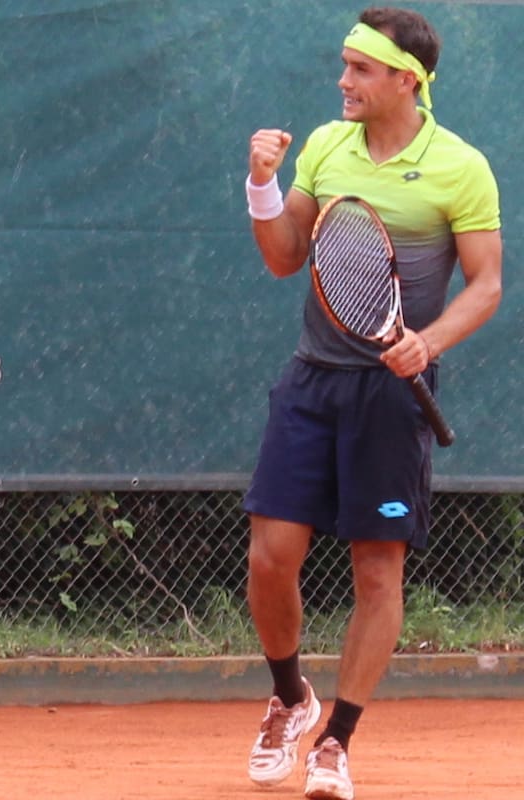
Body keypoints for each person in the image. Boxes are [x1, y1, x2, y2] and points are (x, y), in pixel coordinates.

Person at [241, 7, 502, 800]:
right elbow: (286, 259)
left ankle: (336, 742)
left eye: (359, 69)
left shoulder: (460, 167)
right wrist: (261, 185)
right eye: (344, 66)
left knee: (376, 573)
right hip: (312, 379)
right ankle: (290, 699)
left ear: (405, 80)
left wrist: (431, 341)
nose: (343, 81)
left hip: (391, 396)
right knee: (269, 559)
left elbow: (486, 284)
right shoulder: (326, 146)